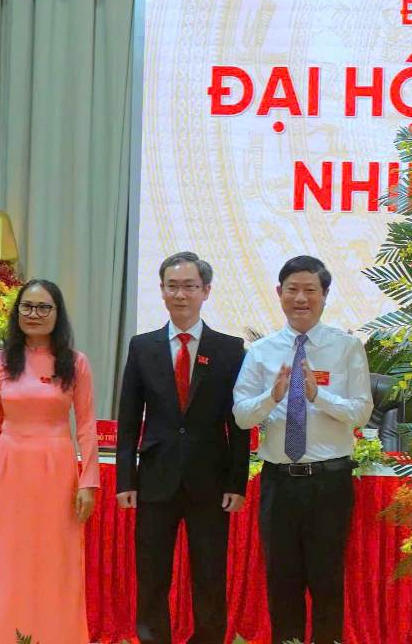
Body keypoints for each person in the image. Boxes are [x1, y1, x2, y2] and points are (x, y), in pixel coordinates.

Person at [233, 255, 373, 644]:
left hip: (329, 482)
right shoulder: (261, 352)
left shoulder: (346, 349)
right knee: (282, 580)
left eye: (310, 290)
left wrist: (318, 394)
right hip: (278, 483)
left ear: (324, 295)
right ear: (279, 294)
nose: (301, 298)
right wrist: (272, 395)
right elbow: (242, 416)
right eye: (292, 289)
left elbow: (361, 412)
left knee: (327, 579)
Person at [115, 252, 249, 644]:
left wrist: (237, 483)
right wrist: (126, 479)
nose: (180, 294)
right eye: (172, 286)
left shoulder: (228, 349)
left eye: (189, 286)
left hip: (210, 482)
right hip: (155, 479)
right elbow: (127, 421)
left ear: (205, 291)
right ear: (161, 291)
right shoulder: (143, 347)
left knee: (209, 573)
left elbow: (237, 424)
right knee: (153, 573)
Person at [0, 279, 98, 642]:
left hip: (56, 469)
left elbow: (86, 425)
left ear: (58, 314)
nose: (34, 314)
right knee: (11, 560)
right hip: (10, 469)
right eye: (27, 306)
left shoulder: (75, 363)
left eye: (44, 307)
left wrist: (88, 481)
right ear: (16, 311)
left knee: (56, 559)